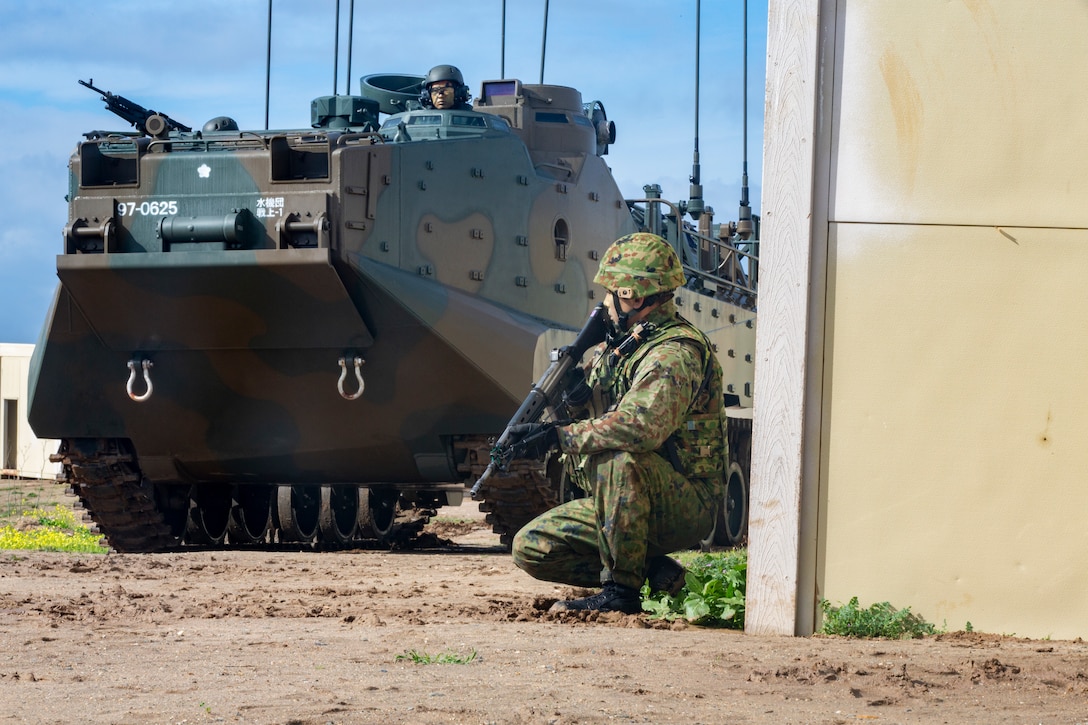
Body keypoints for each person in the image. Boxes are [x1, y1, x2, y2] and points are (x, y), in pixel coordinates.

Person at [508, 232, 728, 614]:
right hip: (623, 500)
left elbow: (640, 426)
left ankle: (621, 593)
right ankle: (648, 567)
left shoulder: (673, 353)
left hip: (684, 501)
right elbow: (597, 411)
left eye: (613, 292)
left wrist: (557, 437)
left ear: (636, 297)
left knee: (618, 457)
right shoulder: (625, 346)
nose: (606, 302)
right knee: (531, 548)